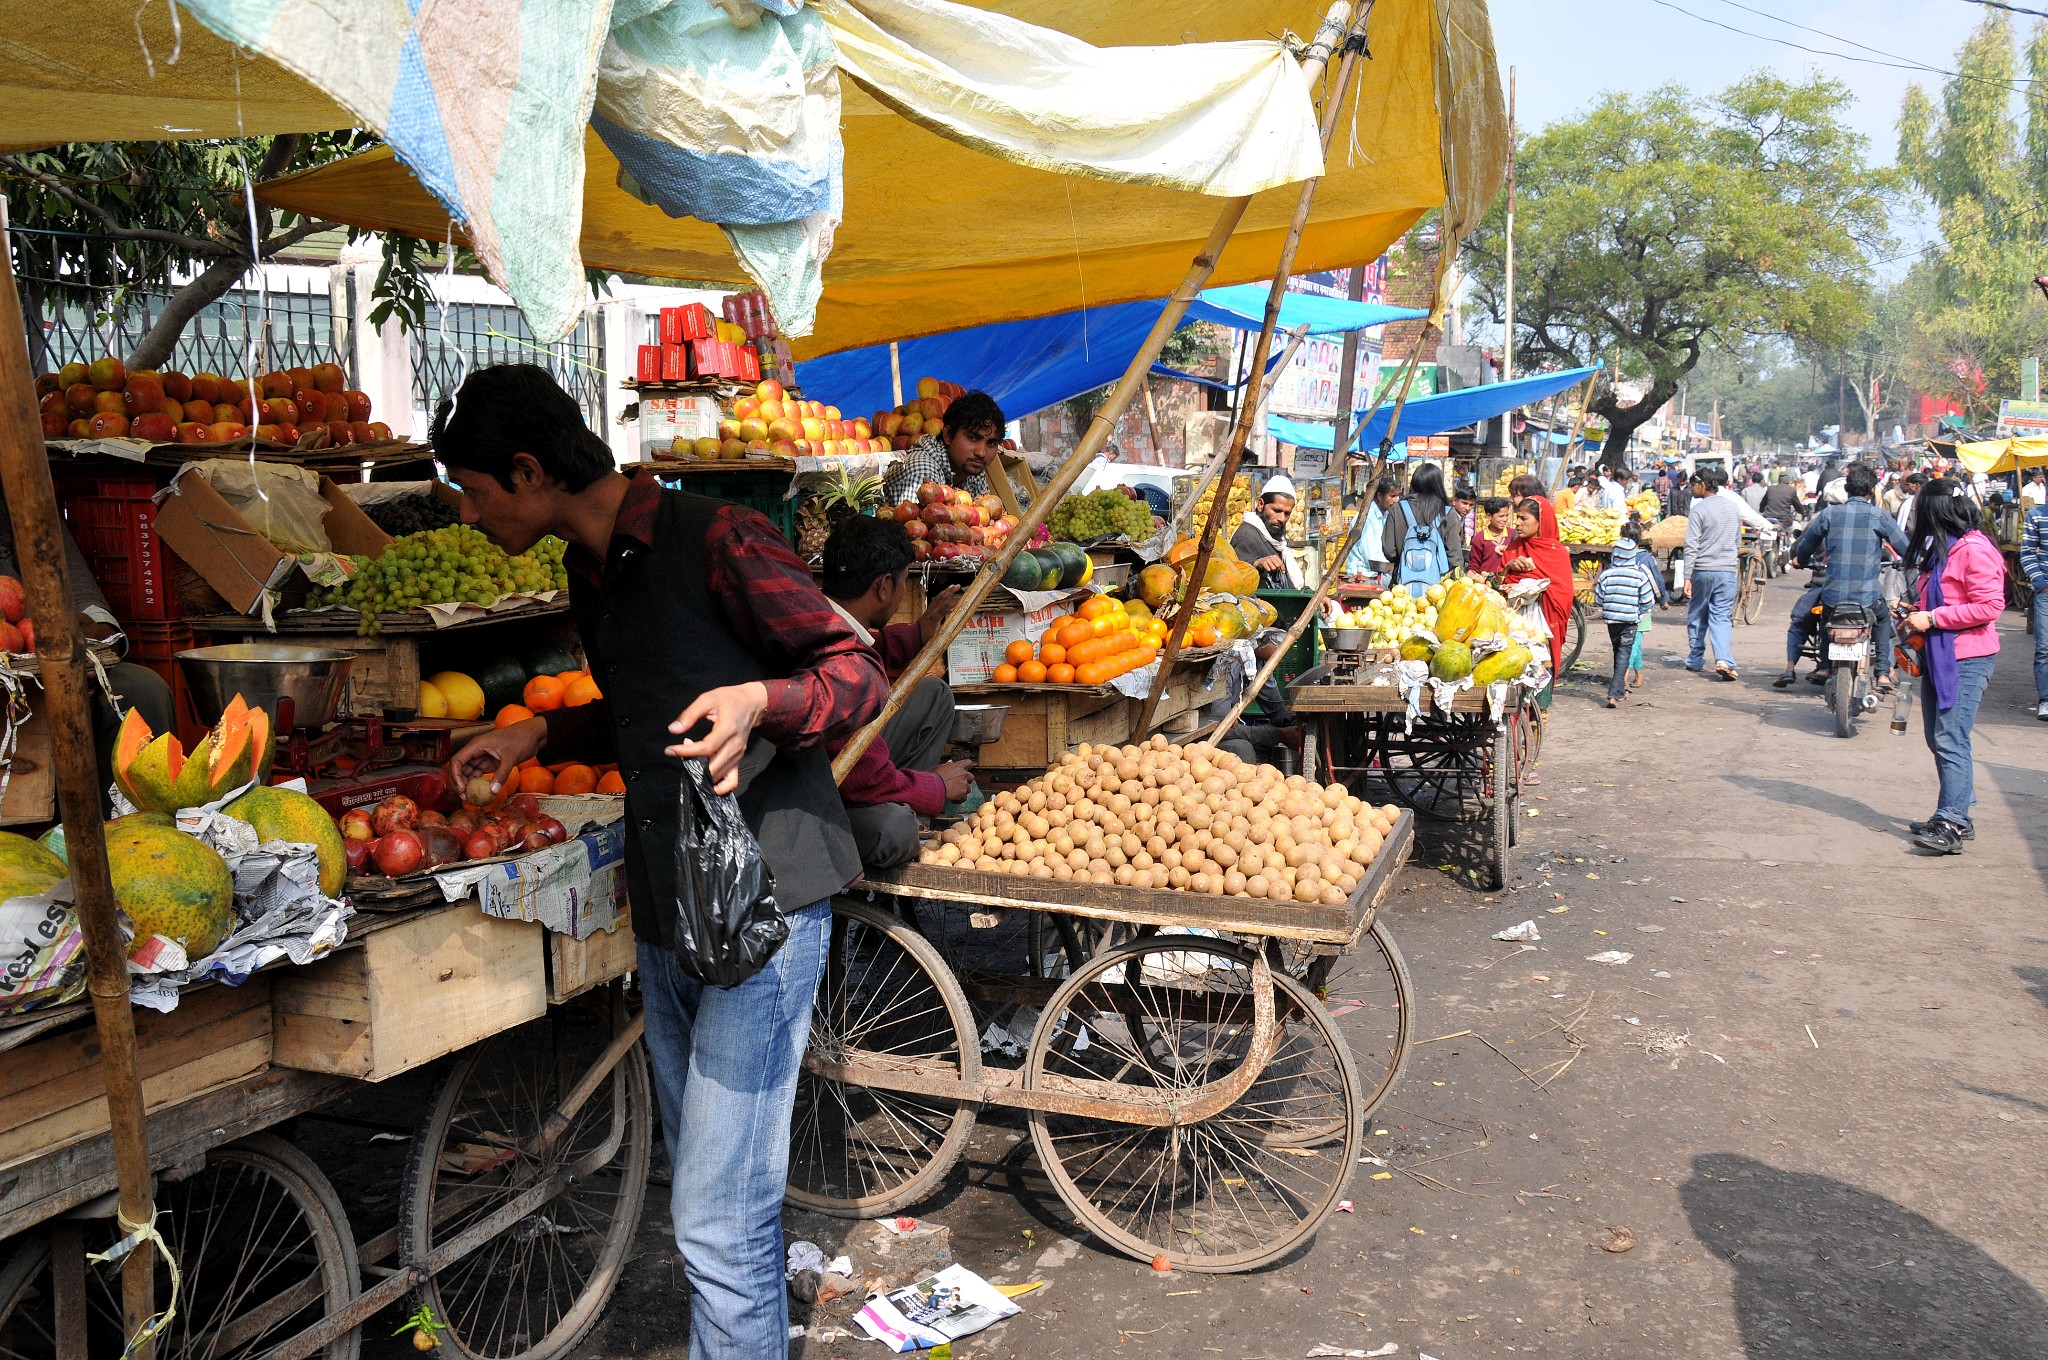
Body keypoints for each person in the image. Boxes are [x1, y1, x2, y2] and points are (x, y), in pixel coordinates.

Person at [438, 364, 886, 1357]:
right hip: (671, 896)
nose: (468, 515)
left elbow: (853, 668)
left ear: (526, 470)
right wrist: (533, 741)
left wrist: (760, 703)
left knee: (720, 1212)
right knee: (704, 1188)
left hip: (765, 894)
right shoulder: (589, 568)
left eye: (472, 491)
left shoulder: (715, 534)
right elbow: (655, 701)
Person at [0, 487, 174, 812]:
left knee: (139, 687)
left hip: (39, 647)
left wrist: (94, 633)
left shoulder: (14, 486)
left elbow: (74, 582)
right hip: (12, 678)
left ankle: (141, 830)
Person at [820, 518, 976, 868]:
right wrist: (935, 786)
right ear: (884, 586)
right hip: (821, 796)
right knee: (894, 829)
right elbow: (861, 777)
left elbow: (868, 646)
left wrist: (919, 632)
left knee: (931, 693)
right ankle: (902, 805)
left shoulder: (826, 615)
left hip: (844, 771)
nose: (904, 590)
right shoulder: (840, 663)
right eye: (905, 581)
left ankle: (903, 799)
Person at [1900, 479, 2006, 854]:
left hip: (1967, 658)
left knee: (1950, 738)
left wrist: (1935, 618)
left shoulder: (1974, 549)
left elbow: (1991, 606)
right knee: (1940, 737)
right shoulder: (1948, 548)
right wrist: (1917, 613)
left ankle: (1953, 823)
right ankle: (1958, 810)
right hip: (1942, 655)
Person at [1783, 464, 1906, 693]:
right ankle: (1882, 672)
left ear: (1847, 489)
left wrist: (1801, 559)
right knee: (1882, 619)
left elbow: (1805, 546)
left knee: (1826, 617)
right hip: (1867, 597)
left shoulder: (1829, 514)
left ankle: (1825, 666)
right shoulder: (1879, 516)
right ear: (1871, 489)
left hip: (1834, 595)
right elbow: (1904, 547)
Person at [1682, 466, 1774, 680]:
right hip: (1726, 571)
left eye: (1693, 485)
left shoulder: (1699, 510)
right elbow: (1735, 541)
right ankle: (1723, 659)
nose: (1690, 489)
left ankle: (1695, 658)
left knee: (1697, 614)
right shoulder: (1732, 508)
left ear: (1702, 485)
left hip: (1703, 570)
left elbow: (1691, 545)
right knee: (1721, 617)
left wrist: (1687, 576)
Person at [883, 390, 1008, 505]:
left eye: (991, 443)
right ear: (948, 435)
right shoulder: (923, 469)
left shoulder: (973, 470)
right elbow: (921, 526)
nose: (981, 452)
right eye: (973, 438)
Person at [1504, 496, 1575, 686]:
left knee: (1541, 669)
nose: (1517, 523)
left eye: (1524, 518)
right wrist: (1507, 568)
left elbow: (1564, 594)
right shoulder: (1514, 548)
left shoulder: (1557, 552)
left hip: (1542, 626)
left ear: (1540, 521)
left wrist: (1534, 590)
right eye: (1517, 517)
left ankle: (1540, 713)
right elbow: (1495, 586)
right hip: (1513, 623)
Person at [1594, 533, 1659, 708]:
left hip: (1612, 621)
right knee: (1624, 654)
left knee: (1618, 652)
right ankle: (1614, 694)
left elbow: (1598, 599)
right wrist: (1640, 611)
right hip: (1630, 621)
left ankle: (1620, 690)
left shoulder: (1607, 575)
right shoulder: (1638, 576)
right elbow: (1647, 600)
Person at [1380, 462, 1467, 589]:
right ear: (1439, 484)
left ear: (1414, 483)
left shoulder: (1397, 509)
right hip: (1437, 590)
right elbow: (1455, 557)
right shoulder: (1447, 513)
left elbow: (1389, 551)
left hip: (1402, 587)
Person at [1232, 474, 1302, 589]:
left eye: (1287, 513)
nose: (1282, 519)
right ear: (1261, 505)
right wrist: (1256, 563)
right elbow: (1234, 572)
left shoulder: (1273, 538)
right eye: (1277, 510)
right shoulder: (1246, 536)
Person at [2020, 484, 2048, 721]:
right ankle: (2046, 700)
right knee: (2044, 648)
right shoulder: (2036, 516)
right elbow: (2027, 551)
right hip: (2045, 593)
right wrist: (2040, 582)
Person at [1344, 477, 1400, 580]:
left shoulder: (1386, 515)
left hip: (1377, 575)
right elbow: (1372, 557)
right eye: (1392, 496)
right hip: (1363, 577)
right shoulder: (1367, 519)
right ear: (1379, 496)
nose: (1396, 500)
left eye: (1397, 496)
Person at [1468, 496, 1515, 574]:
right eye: (1501, 516)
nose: (1505, 519)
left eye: (1507, 515)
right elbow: (1474, 565)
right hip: (1486, 582)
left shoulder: (1513, 535)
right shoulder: (1479, 539)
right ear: (1489, 516)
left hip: (1508, 582)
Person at [1757, 468, 1804, 538]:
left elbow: (1762, 505)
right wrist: (1802, 511)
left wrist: (1761, 510)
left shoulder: (1770, 489)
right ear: (1788, 482)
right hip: (1784, 521)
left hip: (1769, 519)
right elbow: (1798, 507)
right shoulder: (1791, 491)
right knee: (1797, 527)